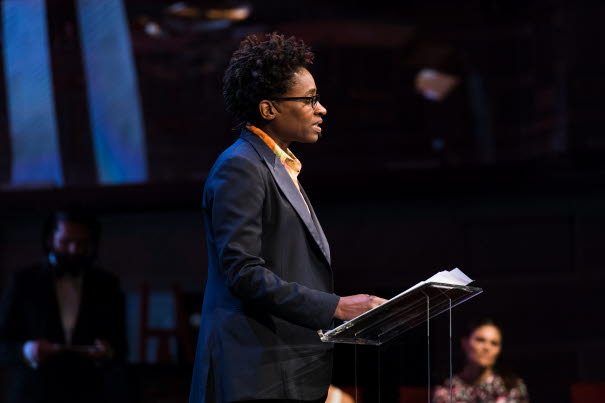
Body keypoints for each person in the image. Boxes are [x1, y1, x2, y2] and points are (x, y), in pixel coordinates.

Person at [188, 32, 387, 403]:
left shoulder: (274, 166)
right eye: (309, 99)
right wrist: (336, 306)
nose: (321, 108)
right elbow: (243, 273)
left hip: (282, 369)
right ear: (269, 109)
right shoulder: (241, 167)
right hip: (254, 374)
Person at [0, 209, 127, 403]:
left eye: (82, 243)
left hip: (89, 393)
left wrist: (107, 352)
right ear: (50, 240)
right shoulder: (23, 282)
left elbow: (121, 345)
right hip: (34, 393)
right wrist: (27, 350)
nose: (74, 250)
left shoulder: (107, 285)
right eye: (66, 242)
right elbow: (3, 343)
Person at [432, 318, 529, 403]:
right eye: (480, 340)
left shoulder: (511, 387)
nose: (487, 347)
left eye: (494, 343)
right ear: (465, 343)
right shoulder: (446, 390)